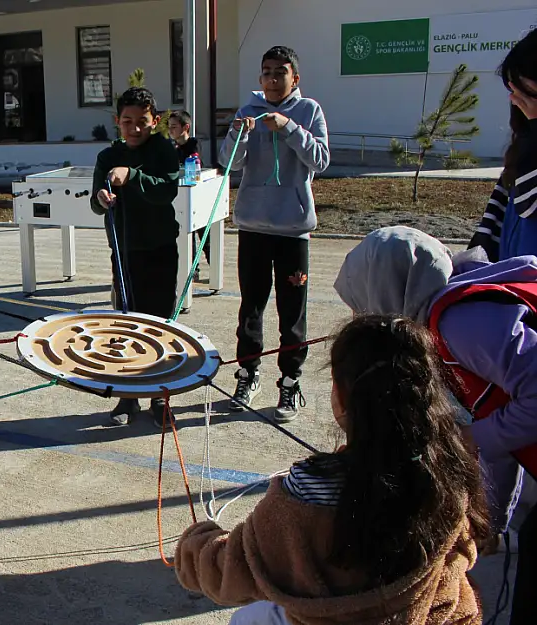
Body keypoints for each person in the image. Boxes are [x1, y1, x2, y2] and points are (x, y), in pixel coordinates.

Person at [176, 314, 488, 625]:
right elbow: (460, 564)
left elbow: (231, 571)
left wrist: (195, 544)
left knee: (249, 619)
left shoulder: (307, 495)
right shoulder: (450, 474)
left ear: (341, 398)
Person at [335, 225, 537, 624]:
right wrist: (488, 519)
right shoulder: (445, 316)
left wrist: (473, 438)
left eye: (362, 306)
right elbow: (502, 420)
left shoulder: (459, 324)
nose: (363, 320)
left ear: (387, 289)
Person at [221, 45, 330, 423]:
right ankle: (247, 374)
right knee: (250, 307)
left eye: (279, 72)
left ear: (294, 78)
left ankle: (290, 381)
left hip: (292, 230)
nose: (271, 78)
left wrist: (289, 128)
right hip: (252, 226)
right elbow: (229, 162)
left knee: (291, 311)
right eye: (266, 71)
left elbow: (320, 159)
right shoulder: (247, 110)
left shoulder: (309, 111)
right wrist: (240, 134)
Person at [90, 86, 181, 426]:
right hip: (124, 252)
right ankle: (128, 397)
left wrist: (134, 175)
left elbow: (167, 188)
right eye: (127, 121)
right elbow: (95, 204)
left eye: (142, 121)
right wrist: (101, 197)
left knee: (159, 323)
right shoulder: (107, 157)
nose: (134, 128)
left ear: (155, 121)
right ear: (117, 122)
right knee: (126, 323)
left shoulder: (163, 149)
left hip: (159, 249)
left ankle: (160, 395)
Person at [470, 28, 537, 261]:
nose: (516, 102)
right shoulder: (524, 145)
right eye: (512, 91)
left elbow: (531, 204)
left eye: (527, 94)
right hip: (517, 291)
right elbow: (492, 226)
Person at [168, 110, 210, 278]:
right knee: (187, 234)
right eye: (169, 126)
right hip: (183, 195)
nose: (170, 130)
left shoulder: (193, 144)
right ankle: (194, 270)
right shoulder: (171, 147)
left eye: (174, 126)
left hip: (199, 195)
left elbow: (194, 162)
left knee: (205, 235)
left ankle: (213, 264)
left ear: (186, 127)